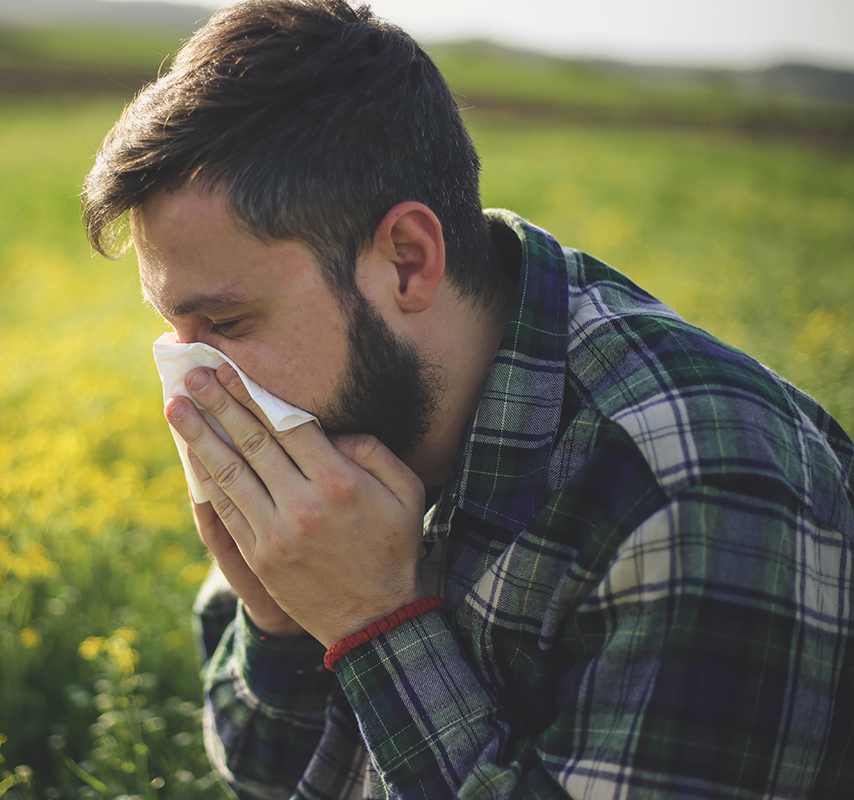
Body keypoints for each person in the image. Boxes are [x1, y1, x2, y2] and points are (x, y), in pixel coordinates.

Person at [81, 0, 854, 796]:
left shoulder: (695, 490)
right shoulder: (344, 431)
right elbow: (266, 776)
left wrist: (371, 624)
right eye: (175, 329)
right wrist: (282, 620)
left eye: (227, 321)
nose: (191, 383)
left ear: (409, 263)